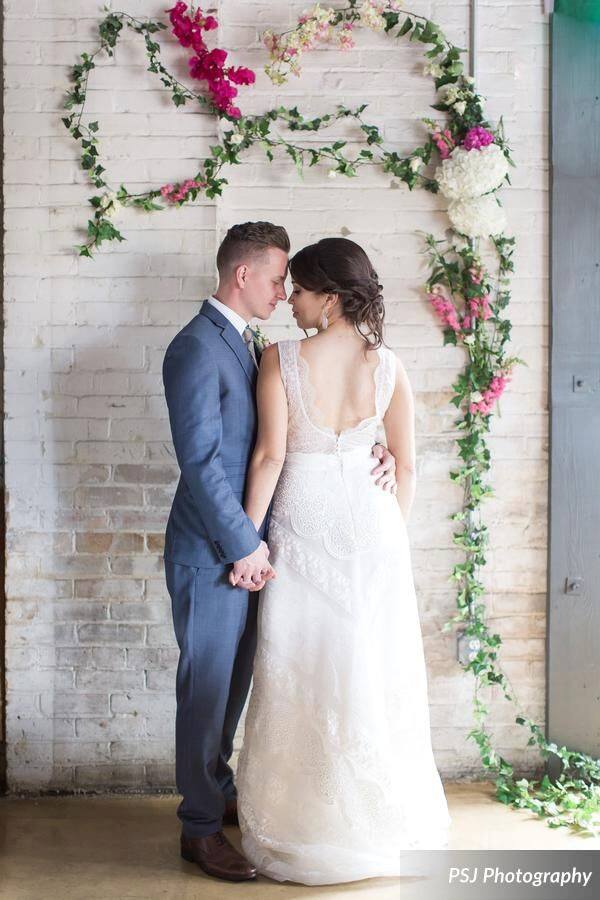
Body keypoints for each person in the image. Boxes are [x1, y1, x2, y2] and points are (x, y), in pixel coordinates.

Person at [161, 222, 397, 882]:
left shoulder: (246, 343)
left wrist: (367, 451)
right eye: (274, 279)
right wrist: (245, 544)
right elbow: (201, 463)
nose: (281, 291)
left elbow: (290, 436)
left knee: (235, 685)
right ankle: (199, 828)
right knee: (206, 690)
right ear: (243, 276)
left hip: (253, 547)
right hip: (213, 550)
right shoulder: (194, 349)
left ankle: (218, 790)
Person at [236, 236, 452, 885]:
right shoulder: (389, 366)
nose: (290, 302)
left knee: (302, 665)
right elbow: (406, 464)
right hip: (376, 529)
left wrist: (246, 542)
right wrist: (390, 538)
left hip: (303, 523)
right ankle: (374, 819)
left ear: (328, 297)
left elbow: (270, 457)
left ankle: (307, 824)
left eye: (298, 290)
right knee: (371, 669)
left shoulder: (281, 360)